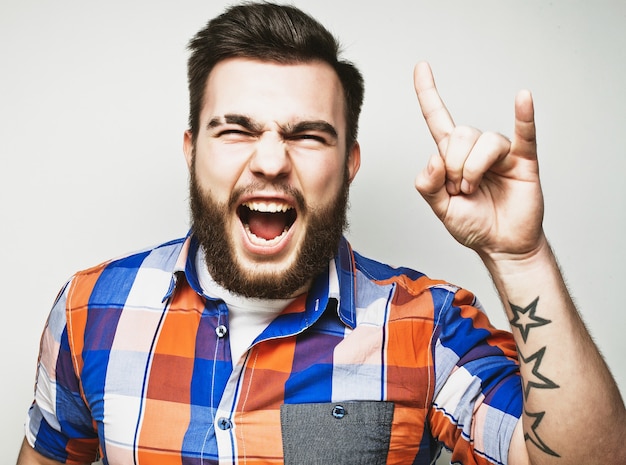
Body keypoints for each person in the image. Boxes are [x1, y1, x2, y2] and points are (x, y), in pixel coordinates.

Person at [17, 2, 625, 465]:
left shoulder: (427, 327)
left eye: (308, 134)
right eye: (235, 130)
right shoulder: (88, 310)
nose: (272, 162)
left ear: (350, 162)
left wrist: (520, 257)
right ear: (191, 150)